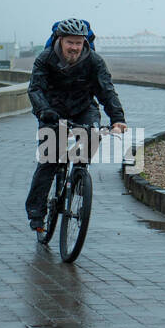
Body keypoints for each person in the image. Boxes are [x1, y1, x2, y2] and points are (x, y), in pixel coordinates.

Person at [25, 18, 127, 230]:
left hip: (83, 108)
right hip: (52, 111)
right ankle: (36, 213)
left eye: (78, 43)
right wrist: (44, 110)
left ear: (85, 43)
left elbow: (106, 91)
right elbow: (35, 89)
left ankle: (79, 175)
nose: (74, 47)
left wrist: (117, 119)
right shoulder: (45, 59)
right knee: (49, 160)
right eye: (70, 42)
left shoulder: (94, 61)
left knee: (93, 134)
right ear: (60, 40)